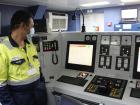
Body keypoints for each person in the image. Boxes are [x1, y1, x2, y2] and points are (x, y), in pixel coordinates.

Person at [0, 10, 47, 105]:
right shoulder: (3, 48)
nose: (32, 29)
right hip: (21, 97)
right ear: (23, 25)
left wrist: (42, 84)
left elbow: (38, 67)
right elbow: (1, 85)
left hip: (39, 93)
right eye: (31, 26)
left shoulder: (30, 44)